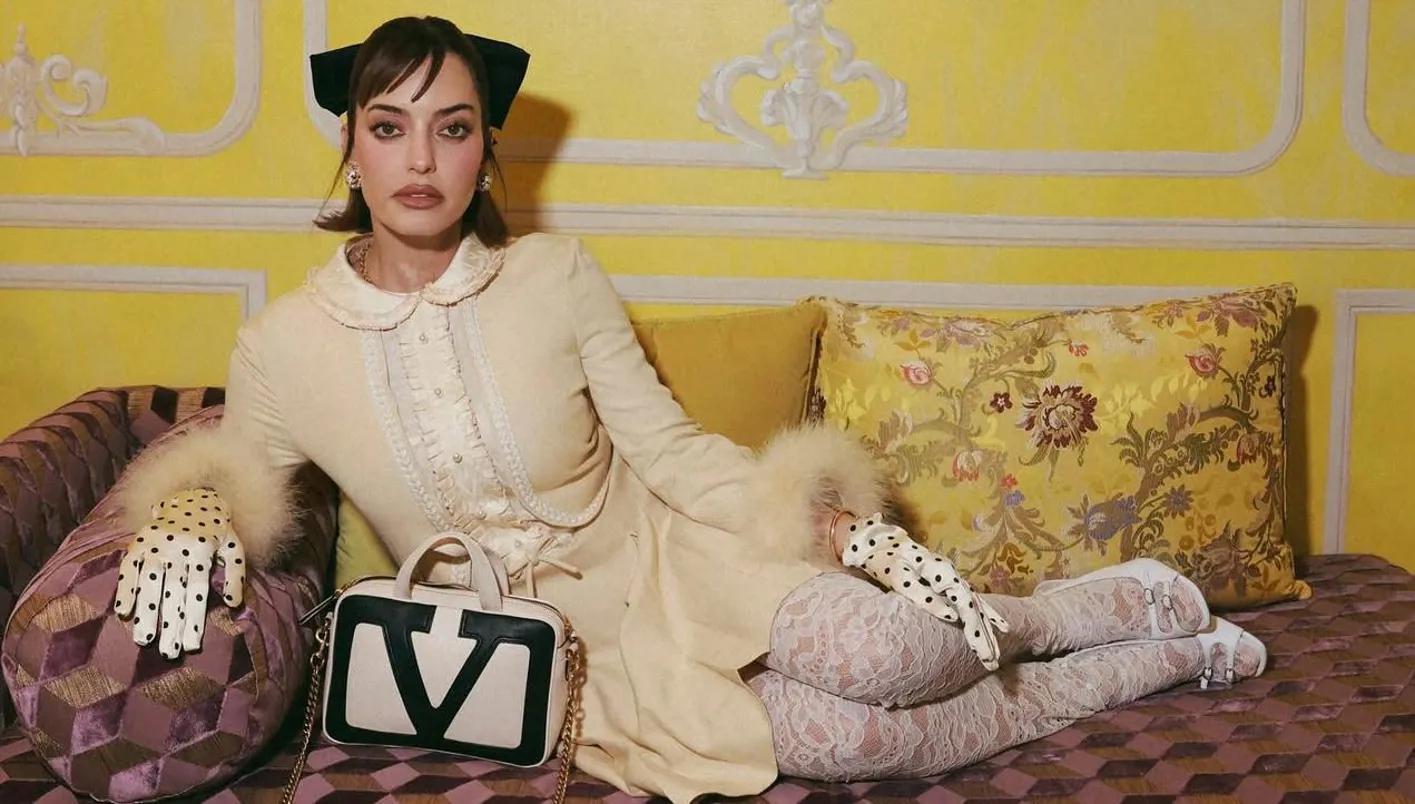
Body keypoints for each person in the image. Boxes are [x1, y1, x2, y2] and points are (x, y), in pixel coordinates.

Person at [106, 16, 1267, 803]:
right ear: (350, 148)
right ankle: (1151, 662)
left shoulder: (555, 275)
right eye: (388, 125)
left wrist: (831, 524)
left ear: (484, 150)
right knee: (855, 742)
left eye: (451, 127)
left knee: (881, 649)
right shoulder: (280, 346)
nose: (420, 157)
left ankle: (1075, 611)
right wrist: (190, 509)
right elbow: (244, 489)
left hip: (676, 556)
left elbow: (666, 448)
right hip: (559, 655)